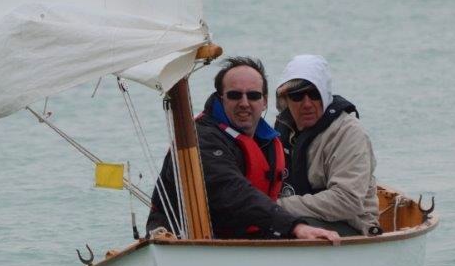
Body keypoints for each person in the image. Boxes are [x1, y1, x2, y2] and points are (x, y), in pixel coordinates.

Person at [147, 56, 340, 242]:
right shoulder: (201, 139)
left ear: (264, 101)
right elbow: (232, 192)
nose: (244, 103)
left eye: (253, 95)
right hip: (185, 244)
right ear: (220, 98)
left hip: (244, 244)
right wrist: (295, 226)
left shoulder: (268, 142)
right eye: (234, 95)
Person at [273, 55, 379, 236]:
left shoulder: (349, 133)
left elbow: (347, 201)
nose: (307, 103)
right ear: (286, 100)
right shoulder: (282, 130)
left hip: (351, 227)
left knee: (274, 227)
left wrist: (276, 207)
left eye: (314, 94)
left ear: (325, 94)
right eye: (297, 96)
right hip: (298, 217)